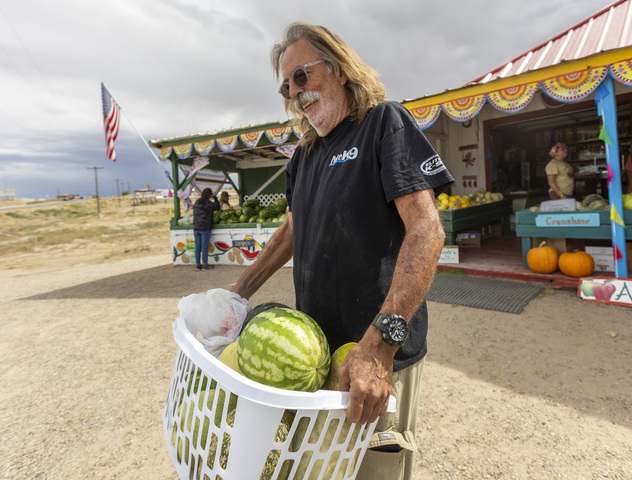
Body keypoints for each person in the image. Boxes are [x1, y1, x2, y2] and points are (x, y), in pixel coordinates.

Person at [231, 23, 453, 480]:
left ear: (338, 68)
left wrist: (379, 346)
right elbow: (289, 232)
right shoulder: (303, 157)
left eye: (302, 76)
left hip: (376, 357)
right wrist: (235, 296)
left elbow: (427, 230)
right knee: (319, 469)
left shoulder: (383, 124)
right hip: (317, 357)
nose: (295, 92)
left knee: (373, 473)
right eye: (286, 85)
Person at [193, 188, 219, 271]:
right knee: (204, 246)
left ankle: (198, 265)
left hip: (196, 227)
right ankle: (205, 264)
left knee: (197, 246)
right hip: (205, 227)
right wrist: (215, 198)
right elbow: (217, 207)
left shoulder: (197, 202)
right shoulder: (209, 204)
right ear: (210, 195)